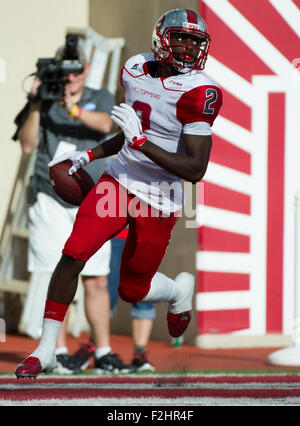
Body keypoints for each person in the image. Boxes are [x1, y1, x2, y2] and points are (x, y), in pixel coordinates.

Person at [15, 8, 223, 378]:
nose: (189, 48)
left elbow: (195, 168)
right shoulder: (137, 68)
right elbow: (130, 130)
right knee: (72, 253)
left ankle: (177, 293)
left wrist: (141, 142)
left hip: (160, 195)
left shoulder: (200, 91)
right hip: (119, 180)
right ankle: (46, 349)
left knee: (132, 289)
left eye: (196, 42)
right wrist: (91, 153)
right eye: (181, 39)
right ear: (162, 39)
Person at [15, 40, 130, 374]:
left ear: (86, 70)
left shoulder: (101, 96)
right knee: (57, 272)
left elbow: (106, 126)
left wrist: (73, 108)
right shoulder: (46, 101)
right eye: (65, 72)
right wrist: (37, 103)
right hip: (51, 198)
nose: (71, 77)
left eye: (76, 70)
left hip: (91, 198)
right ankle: (58, 350)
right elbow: (27, 144)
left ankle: (104, 350)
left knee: (95, 278)